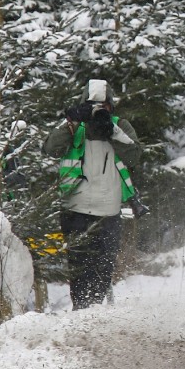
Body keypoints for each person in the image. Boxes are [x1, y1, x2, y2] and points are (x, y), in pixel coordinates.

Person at [42, 79, 141, 310]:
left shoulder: (120, 126)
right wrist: (72, 120)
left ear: (111, 107)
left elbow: (135, 156)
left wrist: (113, 130)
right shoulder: (74, 126)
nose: (97, 112)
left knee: (103, 267)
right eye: (92, 106)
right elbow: (49, 149)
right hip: (75, 209)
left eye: (102, 107)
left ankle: (94, 311)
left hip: (108, 212)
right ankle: (81, 312)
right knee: (78, 267)